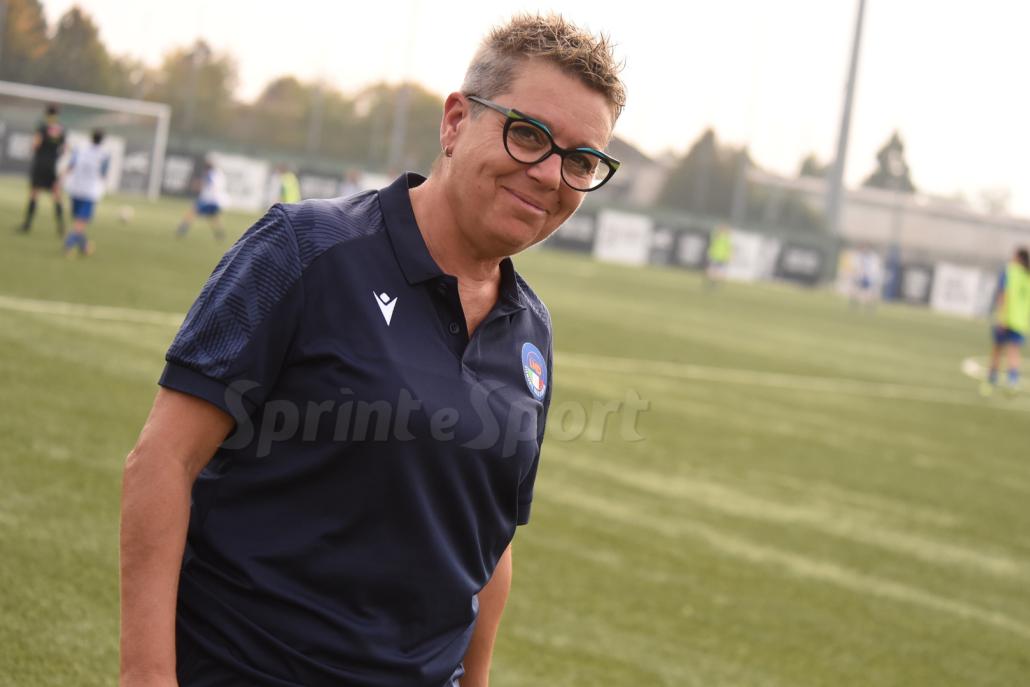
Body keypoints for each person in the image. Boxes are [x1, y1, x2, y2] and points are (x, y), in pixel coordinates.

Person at [120, 13, 625, 687]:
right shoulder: (304, 248)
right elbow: (162, 460)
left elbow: (487, 541)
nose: (550, 174)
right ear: (455, 122)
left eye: (582, 160)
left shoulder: (532, 331)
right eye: (528, 133)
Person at [981, 247, 1030, 397]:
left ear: (1018, 257)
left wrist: (1001, 317)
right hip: (1020, 321)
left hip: (1006, 318)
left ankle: (991, 381)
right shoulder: (1027, 275)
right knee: (1014, 351)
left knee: (997, 350)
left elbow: (1003, 294)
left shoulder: (1010, 271)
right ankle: (1012, 381)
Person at [60, 129, 110, 257]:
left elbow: (70, 166)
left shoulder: (80, 149)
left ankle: (84, 247)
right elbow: (103, 174)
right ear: (102, 140)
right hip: (90, 192)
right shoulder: (104, 155)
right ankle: (68, 244)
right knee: (80, 223)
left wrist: (60, 180)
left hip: (75, 189)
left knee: (78, 222)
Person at [19, 104, 66, 235]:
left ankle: (27, 224)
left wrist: (33, 148)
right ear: (57, 114)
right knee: (56, 195)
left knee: (34, 193)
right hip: (52, 165)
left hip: (40, 164)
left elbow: (36, 144)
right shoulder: (61, 128)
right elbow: (64, 149)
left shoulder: (42, 126)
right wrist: (55, 156)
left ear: (46, 113)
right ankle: (61, 226)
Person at [175, 159, 228, 241]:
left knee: (192, 212)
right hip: (216, 200)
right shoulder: (218, 174)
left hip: (207, 199)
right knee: (213, 216)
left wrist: (192, 185)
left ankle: (182, 230)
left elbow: (209, 183)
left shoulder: (209, 174)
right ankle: (220, 235)